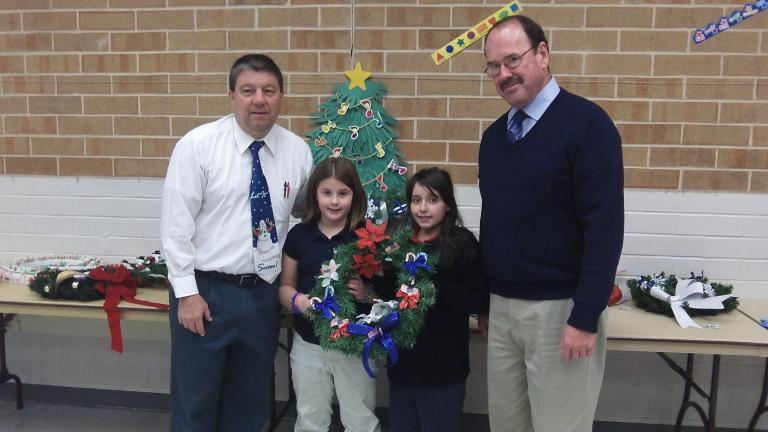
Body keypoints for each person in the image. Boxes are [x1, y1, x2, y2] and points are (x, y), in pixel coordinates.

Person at [479, 15, 624, 432]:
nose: (504, 74)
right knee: (507, 425)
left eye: (512, 60)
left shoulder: (588, 126)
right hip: (503, 310)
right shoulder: (494, 138)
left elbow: (605, 228)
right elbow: (499, 222)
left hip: (561, 314)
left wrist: (585, 316)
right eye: (494, 67)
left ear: (542, 54)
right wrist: (487, 299)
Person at [160, 53, 314, 431]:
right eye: (248, 90)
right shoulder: (198, 146)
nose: (258, 99)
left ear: (281, 96)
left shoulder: (298, 151)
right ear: (231, 95)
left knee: (248, 407)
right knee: (195, 405)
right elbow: (175, 228)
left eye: (268, 90)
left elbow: (306, 215)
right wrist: (187, 294)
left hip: (262, 295)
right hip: (206, 295)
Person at [382, 167, 489, 432]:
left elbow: (478, 298)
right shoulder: (399, 246)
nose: (423, 208)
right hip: (403, 364)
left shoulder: (462, 244)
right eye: (416, 200)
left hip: (444, 368)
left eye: (432, 200)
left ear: (448, 206)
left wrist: (434, 289)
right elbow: (386, 294)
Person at [278, 157, 381, 432]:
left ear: (354, 195)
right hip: (310, 345)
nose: (334, 201)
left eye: (342, 193)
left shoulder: (366, 238)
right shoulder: (300, 236)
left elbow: (385, 297)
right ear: (315, 194)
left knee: (360, 420)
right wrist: (298, 301)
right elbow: (284, 287)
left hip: (355, 344)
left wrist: (365, 291)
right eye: (327, 193)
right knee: (310, 419)